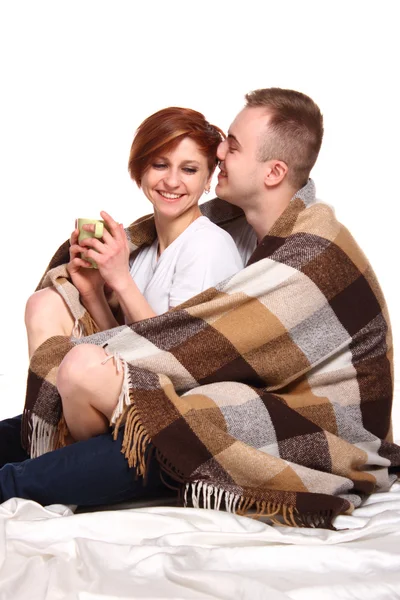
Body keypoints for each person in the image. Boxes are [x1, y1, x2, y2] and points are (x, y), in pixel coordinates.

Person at [0, 88, 398, 521]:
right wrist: (95, 291)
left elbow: (193, 352)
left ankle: (24, 481)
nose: (220, 151)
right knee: (56, 365)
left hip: (307, 420)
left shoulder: (310, 252)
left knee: (139, 411)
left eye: (233, 144)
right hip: (218, 390)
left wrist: (112, 290)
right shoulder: (234, 222)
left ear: (273, 172)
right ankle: (47, 464)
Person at [24, 107, 244, 442]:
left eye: (188, 169)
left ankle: (78, 462)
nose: (172, 181)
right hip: (133, 395)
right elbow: (126, 346)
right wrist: (94, 291)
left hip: (179, 410)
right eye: (159, 165)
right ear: (138, 171)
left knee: (80, 363)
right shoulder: (147, 249)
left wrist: (120, 279)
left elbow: (177, 359)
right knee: (43, 303)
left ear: (208, 178)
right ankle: (58, 442)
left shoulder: (208, 246)